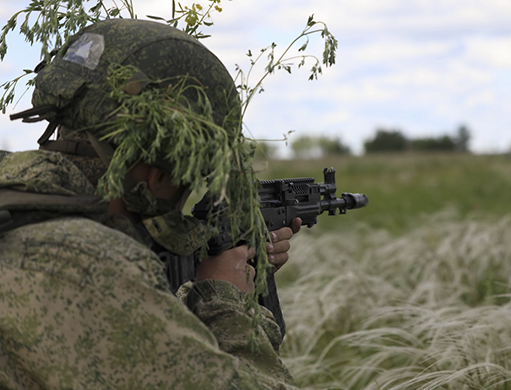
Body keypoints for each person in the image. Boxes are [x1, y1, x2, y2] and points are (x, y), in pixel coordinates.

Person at [0, 18, 302, 389]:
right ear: (159, 173)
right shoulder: (96, 265)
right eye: (191, 174)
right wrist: (226, 300)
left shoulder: (18, 210)